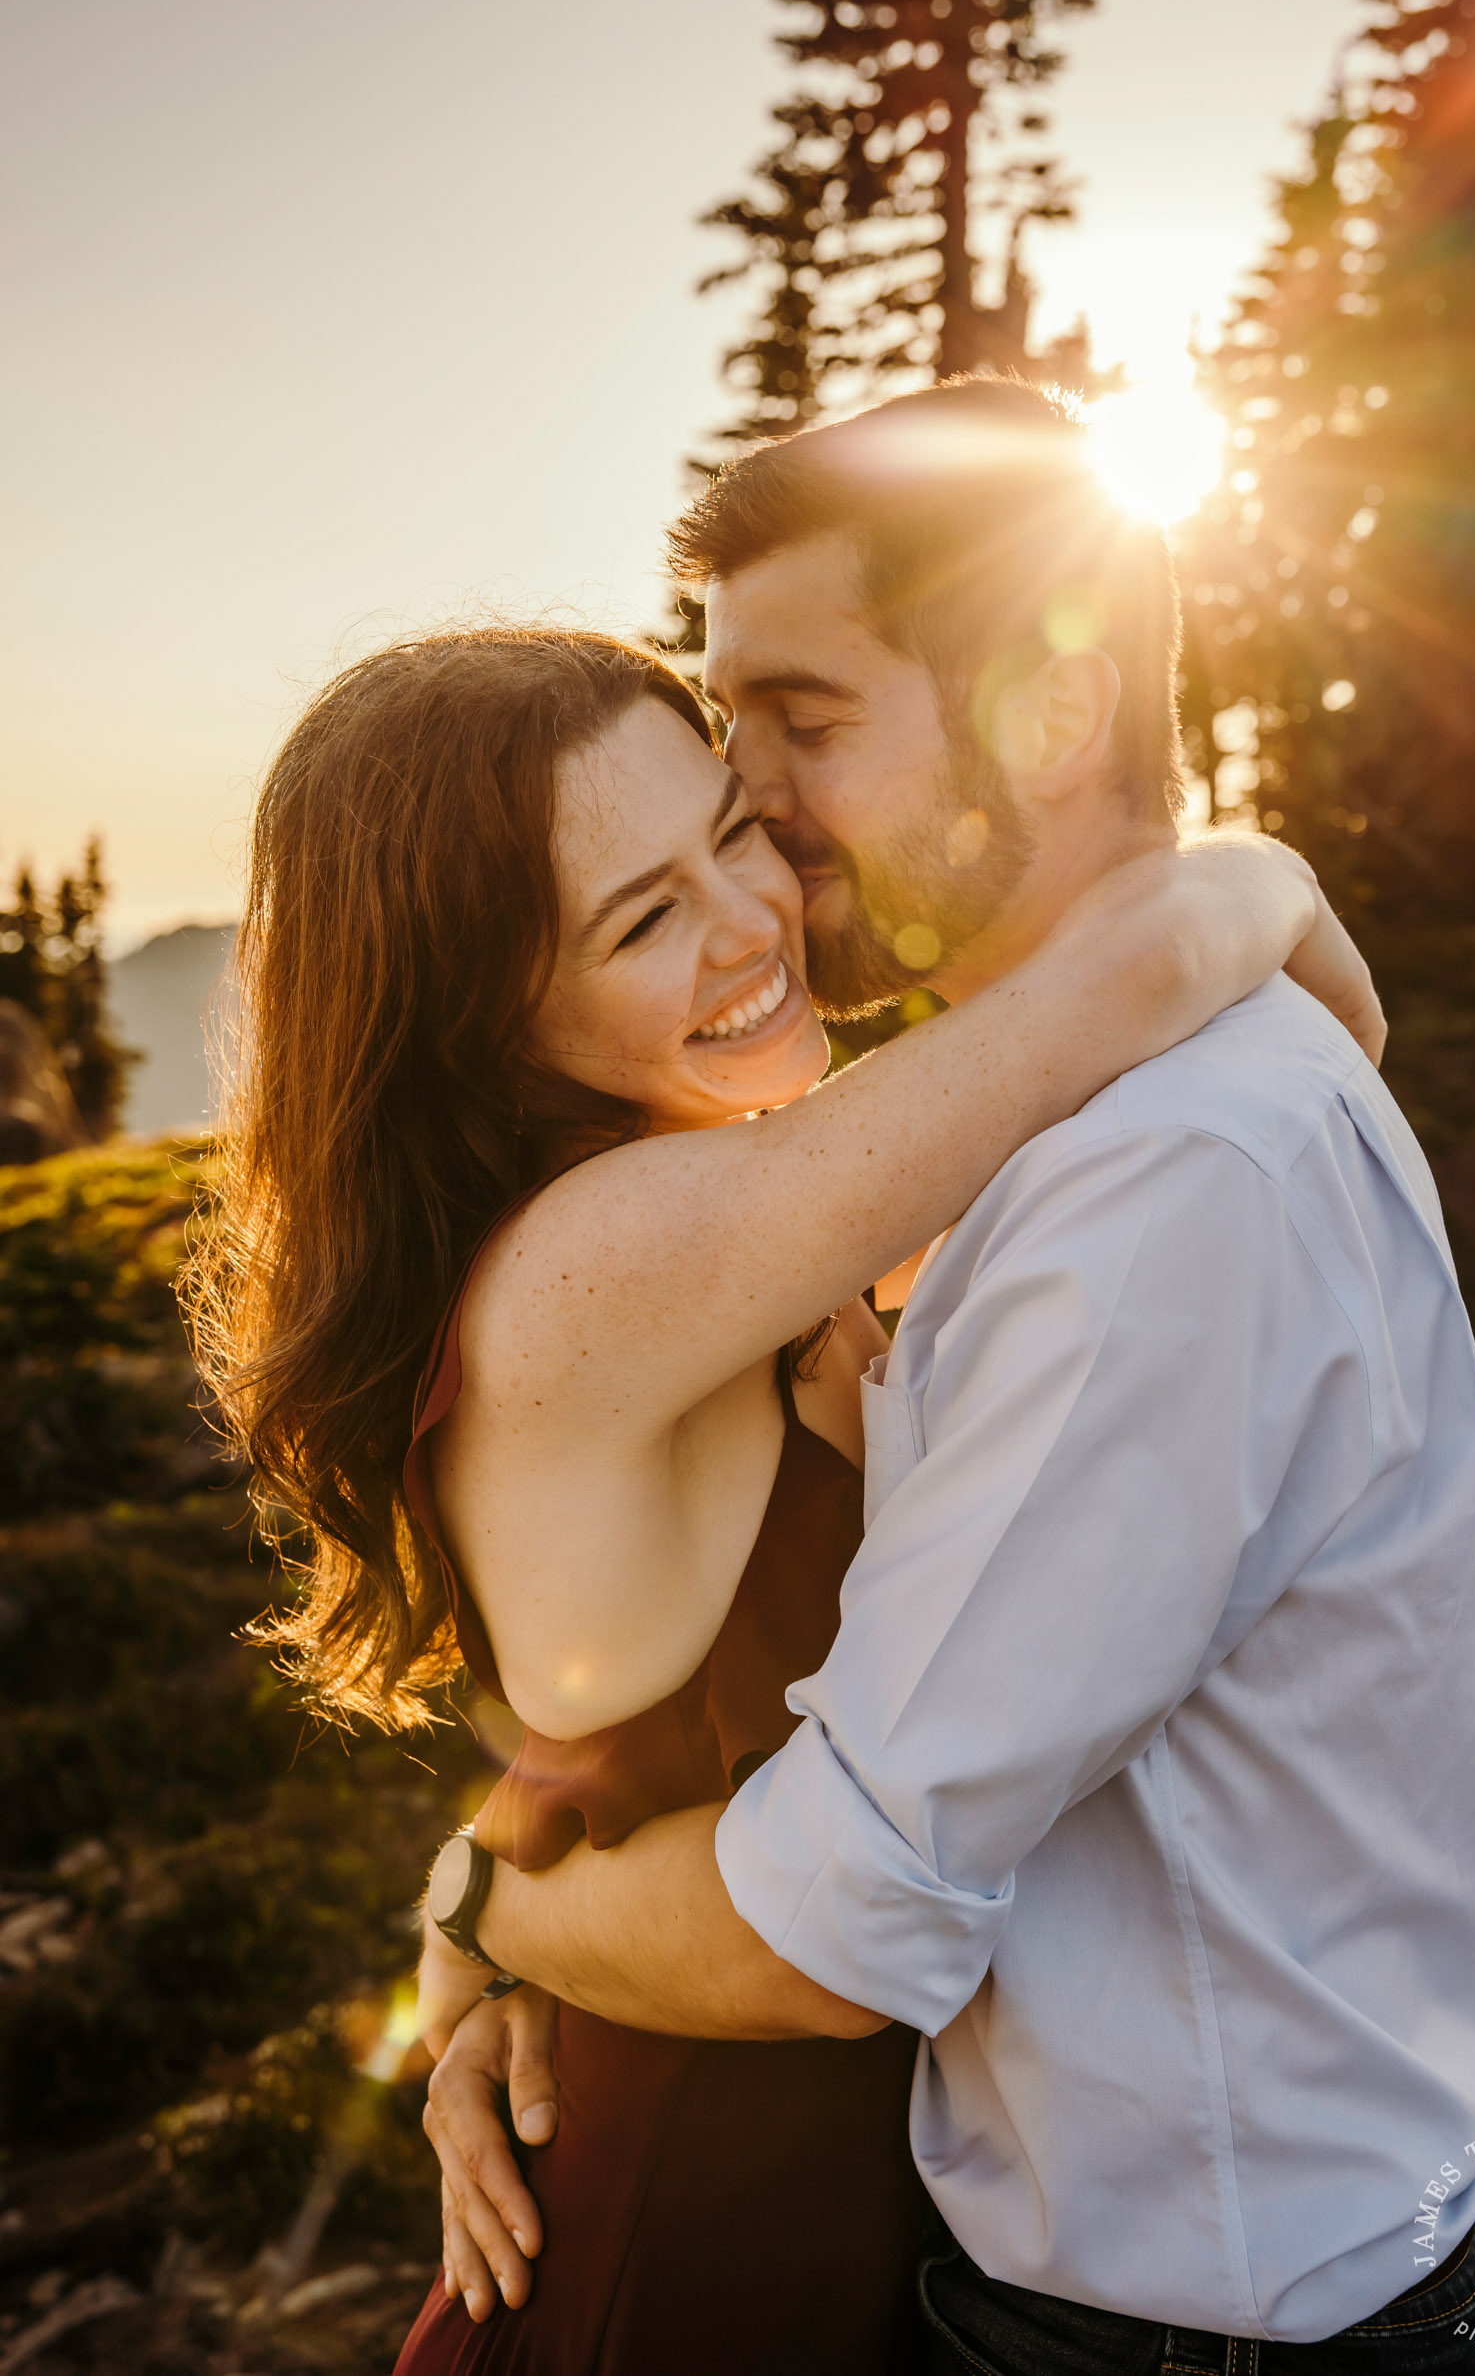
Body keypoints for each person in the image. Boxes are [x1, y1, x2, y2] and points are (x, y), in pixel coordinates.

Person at [420, 381, 1475, 2376]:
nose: (752, 811)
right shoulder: (994, 1136)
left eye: (805, 721)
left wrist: (496, 1907)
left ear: (1051, 710)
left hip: (1178, 2331)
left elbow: (834, 1916)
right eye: (724, 733)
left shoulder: (1167, 1174)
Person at [187, 568, 1374, 2368]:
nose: (753, 918)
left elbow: (610, 1749)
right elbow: (1110, 993)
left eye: (738, 829)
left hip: (830, 2231)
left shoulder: (715, 1217)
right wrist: (1280, 887)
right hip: (671, 2269)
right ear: (482, 1023)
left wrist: (482, 1910)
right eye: (644, 917)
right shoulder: (608, 1263)